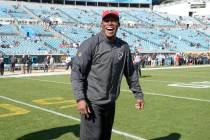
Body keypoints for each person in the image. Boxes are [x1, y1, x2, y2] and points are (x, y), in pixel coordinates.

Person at [71, 10, 144, 140]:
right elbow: (77, 73)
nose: (110, 23)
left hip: (110, 103)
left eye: (113, 20)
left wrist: (138, 94)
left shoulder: (124, 47)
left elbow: (131, 72)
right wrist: (80, 99)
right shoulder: (90, 44)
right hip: (92, 104)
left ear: (118, 24)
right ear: (101, 24)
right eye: (107, 20)